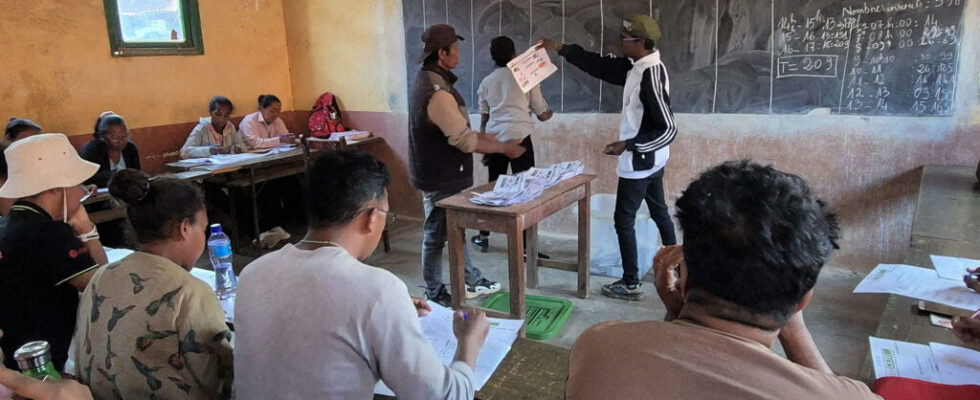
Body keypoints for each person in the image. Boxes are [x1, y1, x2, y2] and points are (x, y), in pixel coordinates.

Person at [565, 160, 880, 399]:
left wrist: (677, 312)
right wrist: (792, 321)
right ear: (803, 299)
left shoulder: (599, 347)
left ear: (682, 276)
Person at [235, 150, 489, 399]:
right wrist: (469, 342)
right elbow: (443, 396)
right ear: (370, 217)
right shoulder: (378, 290)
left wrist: (389, 311)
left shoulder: (252, 273)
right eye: (386, 216)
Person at [541, 14, 677, 300]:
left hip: (641, 163)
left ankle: (630, 283)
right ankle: (677, 267)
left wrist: (628, 145)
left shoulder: (649, 75)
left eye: (625, 40)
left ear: (641, 43)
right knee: (659, 210)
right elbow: (601, 66)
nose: (620, 43)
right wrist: (562, 48)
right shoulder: (637, 67)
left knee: (623, 220)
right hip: (652, 160)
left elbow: (668, 129)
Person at [70, 169, 233, 399]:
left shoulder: (102, 275)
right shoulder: (188, 291)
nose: (204, 237)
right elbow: (223, 378)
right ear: (184, 229)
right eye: (203, 229)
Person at [409, 24, 528, 306]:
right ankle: (435, 290)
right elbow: (462, 140)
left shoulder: (433, 80)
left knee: (455, 228)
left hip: (444, 172)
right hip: (440, 175)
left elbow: (456, 130)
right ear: (442, 53)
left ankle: (471, 278)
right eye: (455, 49)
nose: (459, 54)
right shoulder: (436, 90)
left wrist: (485, 137)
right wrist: (503, 148)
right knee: (436, 234)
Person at [0, 134, 108, 371]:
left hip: (18, 348)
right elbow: (100, 286)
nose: (81, 192)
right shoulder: (50, 232)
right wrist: (88, 230)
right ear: (57, 188)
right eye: (76, 184)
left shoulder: (16, 219)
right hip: (45, 360)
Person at [470, 36, 554, 255]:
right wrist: (548, 112)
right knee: (526, 189)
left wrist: (483, 144)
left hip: (495, 140)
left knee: (493, 187)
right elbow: (542, 113)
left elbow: (485, 116)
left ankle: (483, 236)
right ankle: (526, 246)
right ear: (514, 53)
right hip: (521, 138)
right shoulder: (525, 77)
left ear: (492, 56)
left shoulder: (487, 81)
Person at [80, 112, 141, 188]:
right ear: (102, 137)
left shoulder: (130, 148)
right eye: (114, 138)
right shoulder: (91, 150)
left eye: (124, 137)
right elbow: (86, 179)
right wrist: (115, 175)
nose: (120, 141)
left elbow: (137, 173)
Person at [180, 96, 248, 159]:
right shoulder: (202, 128)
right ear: (211, 113)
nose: (222, 119)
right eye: (218, 114)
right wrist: (209, 150)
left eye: (226, 116)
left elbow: (242, 146)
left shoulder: (230, 127)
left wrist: (237, 148)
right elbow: (184, 152)